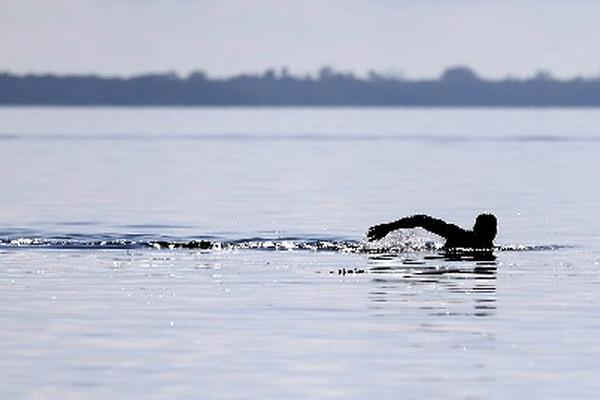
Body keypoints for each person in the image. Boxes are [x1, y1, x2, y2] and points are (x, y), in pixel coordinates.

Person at [367, 213, 497, 250]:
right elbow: (422, 220)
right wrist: (389, 227)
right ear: (475, 229)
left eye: (492, 229)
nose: (491, 232)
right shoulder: (459, 236)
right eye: (487, 228)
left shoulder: (491, 249)